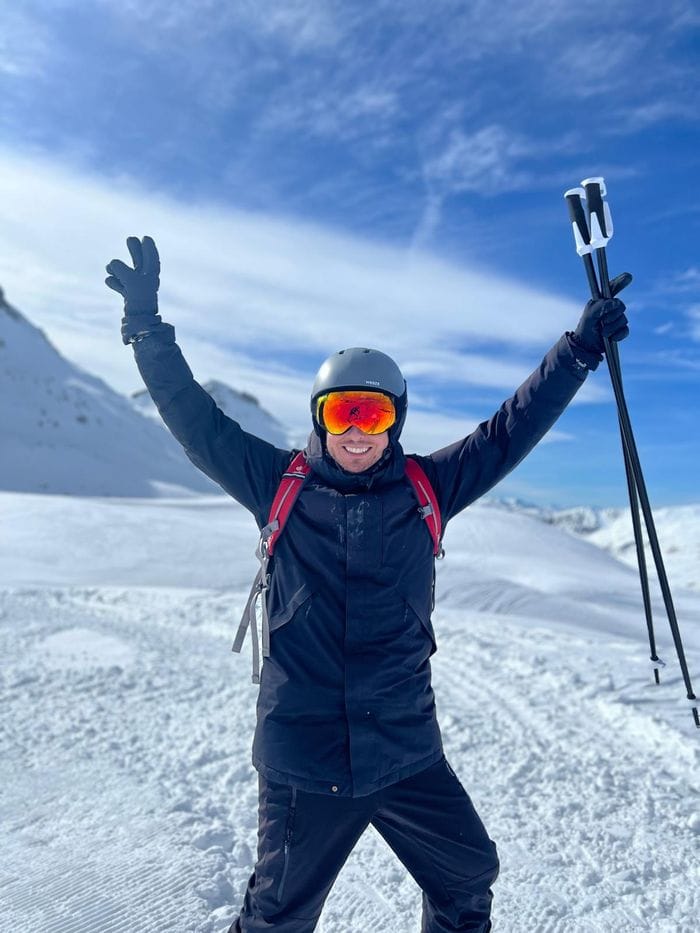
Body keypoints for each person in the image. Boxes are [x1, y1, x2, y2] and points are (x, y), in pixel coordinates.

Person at [105, 236, 630, 932]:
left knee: (467, 874)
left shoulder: (428, 486)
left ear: (396, 421)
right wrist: (146, 328)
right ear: (321, 416)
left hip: (406, 749)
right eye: (343, 412)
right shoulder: (276, 482)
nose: (357, 431)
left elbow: (511, 428)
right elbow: (194, 419)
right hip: (305, 755)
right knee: (277, 915)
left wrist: (578, 350)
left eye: (374, 414)